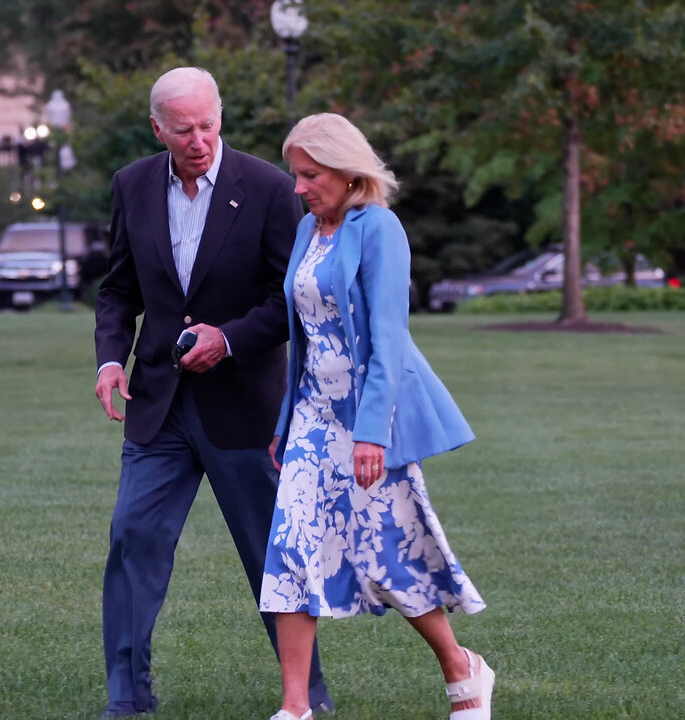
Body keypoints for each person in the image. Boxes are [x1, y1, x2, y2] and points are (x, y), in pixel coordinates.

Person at [92, 67, 333, 718]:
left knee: (271, 558)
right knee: (132, 538)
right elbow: (118, 289)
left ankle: (308, 699)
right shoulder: (133, 186)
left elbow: (292, 297)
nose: (198, 140)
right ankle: (128, 699)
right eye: (182, 129)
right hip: (158, 408)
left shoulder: (269, 188)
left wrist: (227, 339)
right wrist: (110, 360)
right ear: (157, 130)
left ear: (218, 118)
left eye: (206, 125)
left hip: (248, 408)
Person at [260, 113, 493, 720]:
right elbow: (304, 335)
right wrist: (288, 423)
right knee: (289, 548)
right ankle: (295, 708)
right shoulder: (309, 230)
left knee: (392, 556)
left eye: (310, 175)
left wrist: (371, 436)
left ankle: (462, 669)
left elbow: (388, 339)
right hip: (313, 415)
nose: (299, 187)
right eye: (295, 175)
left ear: (345, 171)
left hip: (369, 419)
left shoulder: (379, 228)